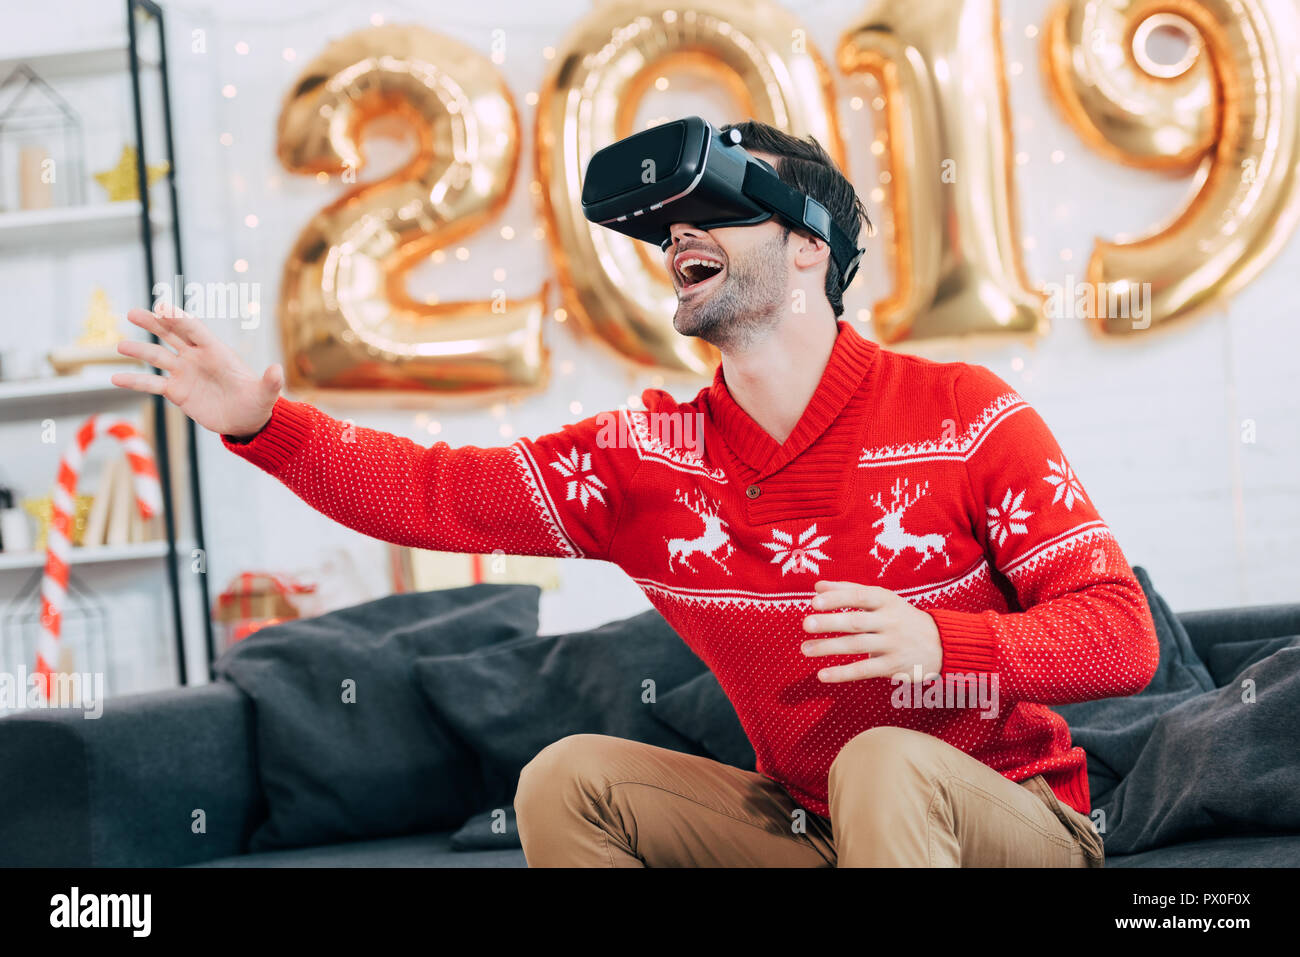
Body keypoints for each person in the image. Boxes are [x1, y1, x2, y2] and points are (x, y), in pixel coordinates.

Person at [112, 119, 1155, 867]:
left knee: (884, 759)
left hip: (1013, 826)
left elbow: (1121, 637)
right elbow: (431, 494)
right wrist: (260, 424)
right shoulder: (646, 460)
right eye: (668, 230)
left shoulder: (962, 411)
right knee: (569, 779)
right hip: (814, 827)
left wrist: (944, 646)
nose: (678, 239)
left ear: (806, 248)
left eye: (715, 211)